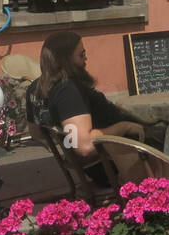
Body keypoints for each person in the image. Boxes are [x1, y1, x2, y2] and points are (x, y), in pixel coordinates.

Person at [35, 31, 147, 185]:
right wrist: (124, 127)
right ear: (66, 60)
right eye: (81, 55)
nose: (86, 59)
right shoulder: (68, 92)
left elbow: (41, 133)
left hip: (113, 160)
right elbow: (83, 145)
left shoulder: (51, 87)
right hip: (121, 163)